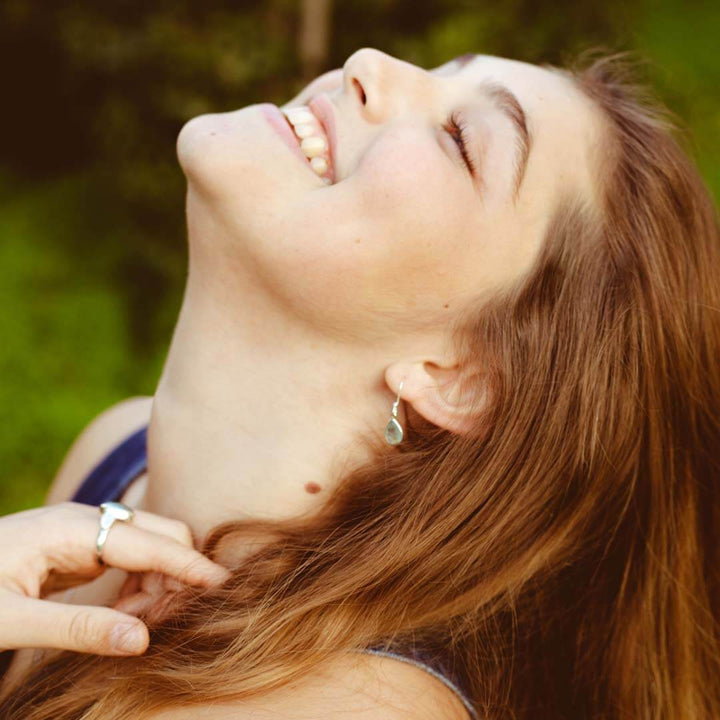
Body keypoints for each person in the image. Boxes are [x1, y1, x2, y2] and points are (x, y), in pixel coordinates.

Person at [2, 46, 719, 719]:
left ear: (461, 375)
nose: (368, 62)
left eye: (462, 140)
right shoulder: (115, 463)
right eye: (440, 70)